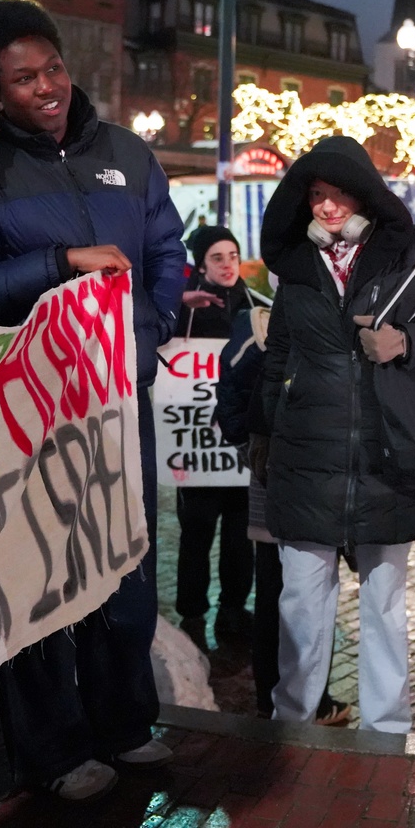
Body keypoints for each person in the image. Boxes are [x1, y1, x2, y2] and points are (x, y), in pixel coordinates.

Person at [0, 0, 185, 799]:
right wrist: (62, 261)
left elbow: (167, 251)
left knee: (126, 568)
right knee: (41, 579)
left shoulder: (126, 152)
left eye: (52, 67)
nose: (47, 86)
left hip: (120, 401)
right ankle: (52, 751)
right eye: (23, 79)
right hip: (34, 410)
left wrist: (150, 331)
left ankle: (125, 724)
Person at [252, 136, 415, 733]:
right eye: (315, 195)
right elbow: (279, 354)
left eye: (338, 194)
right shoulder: (297, 266)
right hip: (308, 453)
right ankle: (293, 725)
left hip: (388, 454)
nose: (326, 207)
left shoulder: (412, 254)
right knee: (301, 605)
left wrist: (405, 342)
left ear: (365, 195)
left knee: (385, 604)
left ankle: (387, 730)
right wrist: (264, 432)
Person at [215, 304, 352, 725]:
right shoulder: (261, 331)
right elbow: (232, 398)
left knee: (297, 594)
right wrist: (252, 450)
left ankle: (290, 697)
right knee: (293, 596)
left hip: (302, 484)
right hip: (284, 487)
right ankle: (294, 699)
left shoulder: (279, 327)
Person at [173, 225, 257, 646]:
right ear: (202, 265)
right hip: (197, 448)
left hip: (239, 446)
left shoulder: (256, 307)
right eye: (217, 258)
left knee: (241, 536)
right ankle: (192, 616)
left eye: (233, 256)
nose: (227, 265)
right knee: (197, 533)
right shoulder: (183, 311)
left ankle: (232, 612)